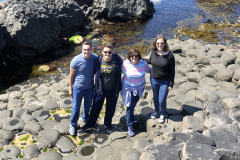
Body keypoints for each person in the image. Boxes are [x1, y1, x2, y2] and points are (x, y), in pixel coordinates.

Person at [79, 43, 123, 134]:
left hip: (113, 90)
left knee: (110, 109)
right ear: (102, 52)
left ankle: (107, 125)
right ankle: (89, 125)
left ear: (112, 52)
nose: (107, 54)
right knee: (95, 108)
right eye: (105, 52)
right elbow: (90, 70)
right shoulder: (98, 60)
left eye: (109, 52)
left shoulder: (117, 59)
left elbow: (127, 65)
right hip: (100, 90)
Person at [142, 35, 175, 123]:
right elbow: (150, 61)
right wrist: (139, 58)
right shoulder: (153, 52)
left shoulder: (170, 55)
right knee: (155, 97)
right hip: (154, 79)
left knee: (162, 99)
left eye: (161, 43)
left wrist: (171, 84)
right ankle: (156, 112)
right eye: (158, 43)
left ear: (164, 44)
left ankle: (162, 113)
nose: (159, 45)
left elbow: (172, 71)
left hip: (165, 81)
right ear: (155, 44)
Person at [69, 41, 97, 135]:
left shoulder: (95, 58)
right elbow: (71, 75)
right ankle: (73, 124)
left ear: (91, 49)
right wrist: (70, 88)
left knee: (88, 106)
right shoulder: (76, 60)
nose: (87, 51)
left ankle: (85, 118)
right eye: (85, 49)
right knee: (76, 107)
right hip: (78, 88)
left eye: (88, 49)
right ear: (81, 50)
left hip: (90, 87)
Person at [121, 49, 151, 136]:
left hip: (139, 88)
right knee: (130, 107)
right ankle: (130, 126)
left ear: (139, 57)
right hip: (128, 89)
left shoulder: (143, 64)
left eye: (136, 56)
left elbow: (150, 70)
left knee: (133, 105)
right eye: (131, 56)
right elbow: (118, 72)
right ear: (129, 57)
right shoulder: (125, 64)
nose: (133, 57)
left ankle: (131, 116)